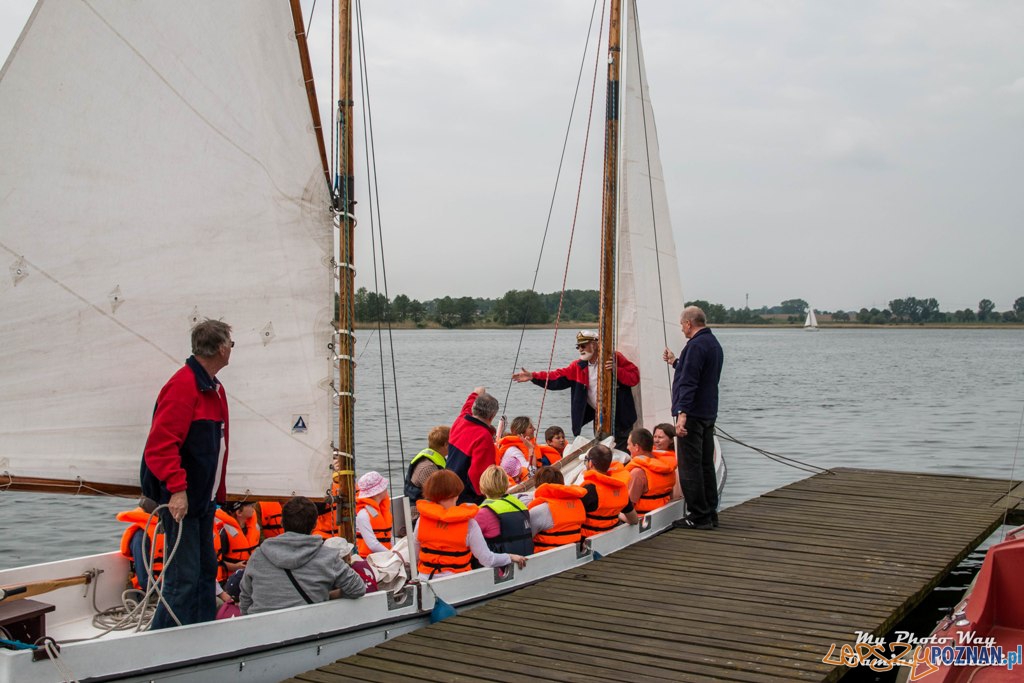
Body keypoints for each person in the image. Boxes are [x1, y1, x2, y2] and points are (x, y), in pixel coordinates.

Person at [139, 318, 232, 629]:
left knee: (205, 572)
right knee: (184, 578)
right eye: (231, 344)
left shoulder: (212, 387)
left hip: (202, 500)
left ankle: (201, 634)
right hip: (184, 500)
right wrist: (177, 489)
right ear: (221, 349)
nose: (231, 350)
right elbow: (160, 446)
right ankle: (162, 640)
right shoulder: (184, 386)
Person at [512, 330, 639, 450]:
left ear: (595, 344)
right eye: (578, 347)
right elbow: (556, 377)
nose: (580, 349)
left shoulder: (613, 358)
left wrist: (617, 370)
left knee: (622, 448)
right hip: (600, 418)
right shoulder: (578, 367)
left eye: (583, 346)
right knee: (603, 447)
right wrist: (533, 376)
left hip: (621, 417)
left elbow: (634, 378)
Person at [239, 496, 366, 614]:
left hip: (264, 627)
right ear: (315, 525)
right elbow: (357, 588)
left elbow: (245, 600)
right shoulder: (328, 557)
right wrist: (328, 596)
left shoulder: (258, 556)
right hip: (310, 625)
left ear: (282, 523)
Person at [663, 305, 724, 530]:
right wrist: (675, 362)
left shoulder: (695, 346)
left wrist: (682, 414)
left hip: (692, 414)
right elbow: (696, 373)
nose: (681, 329)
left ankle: (698, 515)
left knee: (690, 466)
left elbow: (689, 382)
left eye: (682, 324)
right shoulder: (713, 344)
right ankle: (710, 512)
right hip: (708, 412)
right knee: (706, 464)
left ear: (689, 323)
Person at [414, 470, 527, 579]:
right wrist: (509, 557)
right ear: (457, 494)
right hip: (456, 581)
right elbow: (487, 559)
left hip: (425, 580)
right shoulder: (469, 524)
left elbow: (414, 555)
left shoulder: (422, 520)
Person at [446, 387, 500, 504]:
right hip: (467, 497)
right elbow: (478, 474)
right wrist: (486, 495)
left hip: (449, 487)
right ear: (492, 416)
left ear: (474, 409)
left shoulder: (460, 421)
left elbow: (466, 407)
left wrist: (476, 393)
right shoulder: (483, 437)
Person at [580, 445, 638, 537]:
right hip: (612, 537)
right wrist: (616, 514)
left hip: (588, 539)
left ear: (590, 463)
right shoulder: (620, 488)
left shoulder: (588, 490)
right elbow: (634, 520)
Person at [476, 465, 534, 556]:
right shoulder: (520, 505)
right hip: (526, 559)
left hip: (500, 563)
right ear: (507, 484)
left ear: (482, 487)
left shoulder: (483, 513)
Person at [527, 467, 588, 552]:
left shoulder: (540, 510)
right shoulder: (578, 503)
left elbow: (526, 538)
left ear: (538, 486)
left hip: (545, 557)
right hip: (572, 554)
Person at [624, 427, 681, 515]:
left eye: (629, 444)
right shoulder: (668, 467)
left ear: (636, 447)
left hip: (642, 518)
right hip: (665, 514)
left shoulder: (637, 473)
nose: (627, 447)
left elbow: (628, 507)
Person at [116, 507, 164, 591]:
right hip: (150, 590)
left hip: (172, 584)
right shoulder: (141, 537)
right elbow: (144, 579)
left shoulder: (171, 529)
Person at [404, 425, 449, 503]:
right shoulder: (428, 467)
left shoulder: (436, 459)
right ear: (446, 445)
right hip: (420, 509)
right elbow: (438, 496)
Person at [217, 501, 260, 581]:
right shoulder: (225, 533)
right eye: (249, 505)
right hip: (231, 580)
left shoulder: (254, 528)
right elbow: (217, 561)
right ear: (239, 512)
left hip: (252, 577)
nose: (253, 507)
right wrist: (235, 567)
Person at [354, 471, 393, 558]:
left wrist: (395, 551)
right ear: (378, 492)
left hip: (385, 556)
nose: (386, 488)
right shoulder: (363, 514)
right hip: (369, 559)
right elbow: (373, 544)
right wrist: (392, 555)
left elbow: (390, 537)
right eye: (383, 486)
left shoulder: (381, 511)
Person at [496, 416, 537, 483]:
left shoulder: (521, 445)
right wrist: (531, 448)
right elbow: (532, 471)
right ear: (521, 432)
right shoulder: (513, 450)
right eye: (530, 427)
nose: (534, 429)